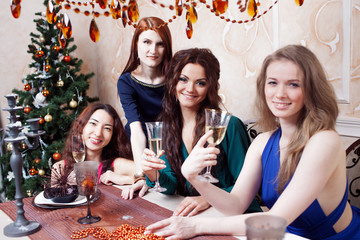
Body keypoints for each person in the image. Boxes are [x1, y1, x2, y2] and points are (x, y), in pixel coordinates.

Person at [144, 45, 360, 239]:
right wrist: (195, 179)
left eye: (293, 84)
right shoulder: (263, 142)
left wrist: (197, 225)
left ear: (311, 89)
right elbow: (235, 205)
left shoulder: (325, 141)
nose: (280, 93)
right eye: (273, 83)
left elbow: (273, 220)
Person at [138, 48, 261, 216]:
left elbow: (249, 186)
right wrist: (152, 173)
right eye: (183, 79)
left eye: (200, 82)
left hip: (232, 217)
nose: (190, 88)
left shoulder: (230, 126)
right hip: (193, 217)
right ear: (173, 81)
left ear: (210, 87)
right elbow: (170, 186)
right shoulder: (167, 128)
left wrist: (208, 199)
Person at [117, 17, 172, 198]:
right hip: (140, 145)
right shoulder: (126, 81)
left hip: (169, 144)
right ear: (136, 44)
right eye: (147, 42)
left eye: (160, 44)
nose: (153, 50)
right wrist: (142, 175)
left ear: (166, 49)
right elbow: (136, 129)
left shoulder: (174, 78)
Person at [51, 103, 135, 187]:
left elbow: (147, 177)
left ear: (112, 135)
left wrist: (124, 179)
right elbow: (53, 198)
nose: (98, 133)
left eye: (107, 128)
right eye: (93, 123)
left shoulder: (117, 165)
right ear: (81, 126)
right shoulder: (60, 168)